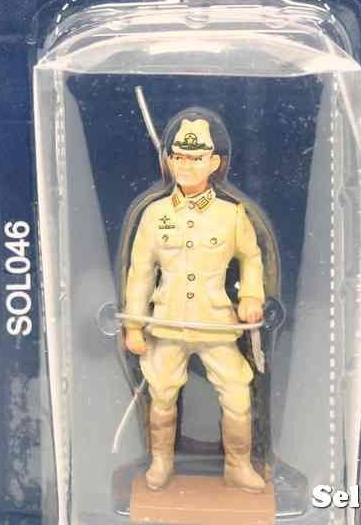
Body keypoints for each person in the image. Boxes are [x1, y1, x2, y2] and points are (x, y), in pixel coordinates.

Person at [123, 109, 266, 493]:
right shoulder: (154, 215)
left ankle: (238, 466)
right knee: (162, 394)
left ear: (214, 162)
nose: (186, 165)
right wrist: (134, 325)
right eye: (179, 157)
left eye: (196, 157)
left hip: (215, 324)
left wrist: (251, 296)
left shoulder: (231, 215)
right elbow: (140, 273)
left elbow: (251, 257)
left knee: (237, 393)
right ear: (169, 160)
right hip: (167, 325)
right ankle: (160, 462)